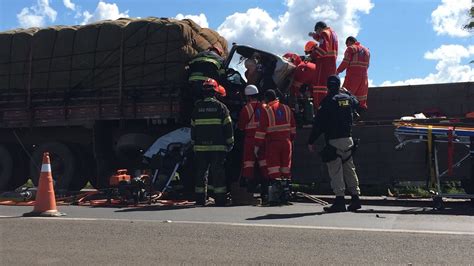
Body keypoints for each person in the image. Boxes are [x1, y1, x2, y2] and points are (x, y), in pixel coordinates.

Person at [307, 75, 361, 213]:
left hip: (334, 141)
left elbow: (319, 124)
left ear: (327, 86)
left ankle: (340, 201)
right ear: (338, 85)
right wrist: (347, 92)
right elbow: (357, 103)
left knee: (336, 171)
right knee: (350, 169)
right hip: (348, 140)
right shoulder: (347, 99)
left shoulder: (327, 102)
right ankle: (355, 199)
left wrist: (311, 141)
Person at [191, 78, 234, 206]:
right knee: (218, 173)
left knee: (201, 172)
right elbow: (228, 126)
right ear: (215, 92)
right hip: (218, 148)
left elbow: (193, 128)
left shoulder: (197, 108)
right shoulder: (221, 107)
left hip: (200, 148)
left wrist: (194, 144)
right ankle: (220, 200)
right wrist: (230, 143)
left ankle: (200, 200)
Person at [255, 89, 296, 204]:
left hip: (273, 143)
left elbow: (261, 130)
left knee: (274, 170)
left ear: (267, 99)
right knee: (286, 169)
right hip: (286, 142)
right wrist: (290, 140)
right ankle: (286, 195)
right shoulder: (287, 109)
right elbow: (293, 128)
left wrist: (257, 146)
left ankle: (275, 196)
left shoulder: (266, 110)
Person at [237, 85, 266, 193]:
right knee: (263, 163)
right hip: (263, 139)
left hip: (250, 140)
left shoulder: (246, 108)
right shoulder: (265, 106)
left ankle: (249, 189)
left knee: (249, 163)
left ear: (247, 97)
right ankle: (265, 188)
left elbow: (241, 126)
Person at [336, 36, 370, 110]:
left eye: (347, 44)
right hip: (364, 78)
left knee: (344, 96)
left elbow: (345, 62)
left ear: (349, 42)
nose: (347, 46)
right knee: (361, 99)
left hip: (353, 77)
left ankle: (344, 114)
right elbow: (367, 65)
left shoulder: (351, 48)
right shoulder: (367, 51)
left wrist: (337, 71)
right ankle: (358, 115)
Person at [308, 21, 338, 104]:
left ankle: (319, 106)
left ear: (319, 28)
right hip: (332, 64)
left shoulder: (324, 33)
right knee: (329, 85)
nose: (318, 33)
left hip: (324, 63)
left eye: (317, 31)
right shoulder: (333, 33)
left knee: (319, 86)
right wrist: (313, 35)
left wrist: (312, 54)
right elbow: (322, 40)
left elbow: (322, 50)